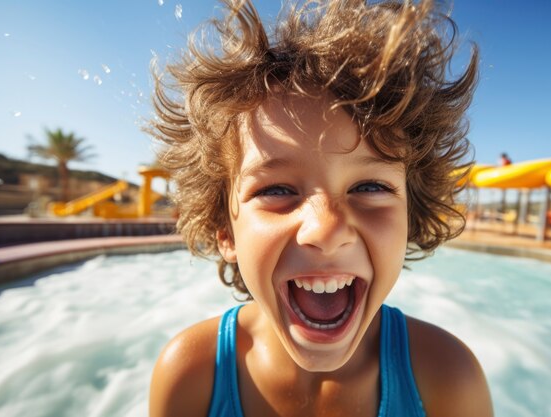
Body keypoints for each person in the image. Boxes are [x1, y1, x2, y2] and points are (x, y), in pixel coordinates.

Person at [148, 1, 493, 416]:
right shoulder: (192, 375)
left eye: (369, 186)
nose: (326, 230)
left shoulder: (447, 377)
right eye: (276, 190)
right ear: (225, 231)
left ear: (411, 218)